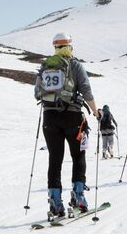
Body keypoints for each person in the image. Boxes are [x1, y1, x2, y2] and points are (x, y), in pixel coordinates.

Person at [35, 33, 97, 216]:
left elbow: (37, 92)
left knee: (55, 158)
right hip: (72, 117)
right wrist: (95, 111)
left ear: (54, 46)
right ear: (70, 46)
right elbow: (86, 90)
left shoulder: (45, 66)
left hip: (49, 117)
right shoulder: (76, 65)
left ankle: (55, 202)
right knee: (78, 156)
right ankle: (79, 197)